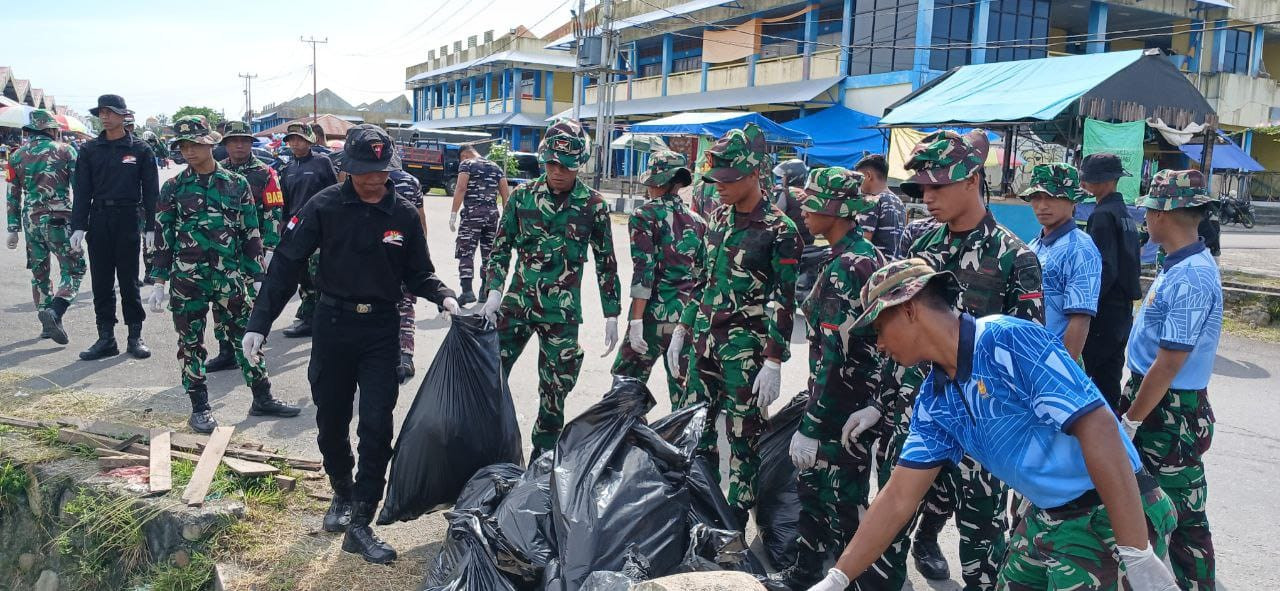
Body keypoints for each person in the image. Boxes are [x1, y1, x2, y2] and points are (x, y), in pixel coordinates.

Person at [806, 257, 1179, 591]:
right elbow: (899, 496)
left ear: (908, 310)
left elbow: (1097, 425)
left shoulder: (1006, 340)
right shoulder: (935, 399)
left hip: (1109, 511)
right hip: (1047, 514)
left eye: (878, 328)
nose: (879, 345)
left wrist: (1135, 549)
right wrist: (838, 577)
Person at [242, 124, 459, 564]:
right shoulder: (324, 207)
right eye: (365, 172)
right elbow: (286, 264)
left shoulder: (401, 214)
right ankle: (341, 491)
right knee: (331, 422)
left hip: (380, 329)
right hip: (333, 325)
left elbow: (418, 271)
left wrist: (444, 295)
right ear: (347, 169)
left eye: (381, 171)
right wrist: (259, 324)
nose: (374, 180)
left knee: (377, 426)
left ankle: (361, 519)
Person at [865, 129, 1043, 591]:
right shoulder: (916, 242)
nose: (927, 197)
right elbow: (892, 329)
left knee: (983, 554)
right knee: (884, 541)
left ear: (972, 181)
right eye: (921, 187)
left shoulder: (1014, 258)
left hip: (983, 430)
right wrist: (879, 403)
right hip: (915, 419)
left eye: (937, 185)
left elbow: (1027, 361)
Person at [665, 122, 801, 528]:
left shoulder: (781, 230)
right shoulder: (718, 218)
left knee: (743, 440)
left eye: (729, 178)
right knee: (696, 430)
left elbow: (783, 299)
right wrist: (682, 330)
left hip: (745, 355)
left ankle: (734, 526)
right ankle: (697, 511)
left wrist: (774, 361)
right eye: (716, 178)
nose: (719, 186)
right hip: (704, 344)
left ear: (755, 173)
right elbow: (703, 279)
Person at [476, 118, 622, 459]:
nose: (558, 171)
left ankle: (543, 458)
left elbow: (606, 262)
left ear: (579, 165)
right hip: (516, 306)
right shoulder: (522, 197)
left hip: (561, 313)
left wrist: (612, 314)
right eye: (552, 163)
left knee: (556, 388)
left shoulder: (593, 206)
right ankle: (488, 448)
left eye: (566, 166)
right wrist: (493, 292)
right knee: (489, 375)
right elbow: (500, 248)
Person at [146, 116, 299, 433]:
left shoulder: (236, 183)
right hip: (188, 280)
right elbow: (163, 236)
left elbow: (249, 231)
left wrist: (258, 274)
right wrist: (158, 280)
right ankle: (200, 407)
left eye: (195, 144)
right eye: (183, 146)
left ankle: (262, 396)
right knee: (190, 344)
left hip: (231, 278)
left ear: (210, 144)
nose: (189, 151)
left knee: (249, 338)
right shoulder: (173, 188)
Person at [778, 167, 886, 588]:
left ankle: (843, 577)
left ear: (838, 209)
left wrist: (809, 425)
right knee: (816, 492)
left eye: (813, 201)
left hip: (839, 408)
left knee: (838, 499)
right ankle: (806, 571)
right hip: (840, 402)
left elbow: (835, 359)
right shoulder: (852, 255)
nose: (803, 208)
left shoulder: (848, 265)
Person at [1117, 169, 1222, 591]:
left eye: (1149, 209)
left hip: (1169, 409)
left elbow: (1168, 364)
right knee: (1150, 509)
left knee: (1180, 517)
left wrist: (1132, 420)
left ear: (1165, 213)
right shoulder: (1177, 264)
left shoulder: (1193, 276)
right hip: (1156, 399)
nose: (1145, 217)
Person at [611, 150, 705, 409]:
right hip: (685, 319)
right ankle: (685, 448)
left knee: (624, 389)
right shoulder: (698, 221)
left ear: (658, 182)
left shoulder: (644, 215)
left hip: (652, 314)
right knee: (685, 396)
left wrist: (636, 321)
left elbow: (644, 271)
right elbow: (701, 277)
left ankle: (624, 443)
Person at [70, 94, 157, 361]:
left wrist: (151, 226)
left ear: (123, 115)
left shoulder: (140, 149)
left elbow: (151, 191)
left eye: (110, 112)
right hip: (99, 218)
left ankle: (134, 335)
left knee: (129, 281)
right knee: (101, 282)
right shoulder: (89, 150)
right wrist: (78, 225)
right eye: (101, 112)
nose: (105, 116)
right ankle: (106, 337)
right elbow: (82, 190)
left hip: (128, 217)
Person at [204, 121, 287, 373]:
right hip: (223, 249)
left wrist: (270, 248)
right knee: (221, 300)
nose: (239, 145)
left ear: (251, 143)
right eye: (233, 140)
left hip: (254, 249)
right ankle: (226, 351)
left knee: (251, 302)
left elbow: (274, 211)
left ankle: (252, 353)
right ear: (225, 144)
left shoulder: (265, 173)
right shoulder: (216, 171)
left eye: (244, 140)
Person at [6, 109, 85, 344]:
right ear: (51, 129)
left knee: (40, 273)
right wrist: (83, 223)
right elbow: (80, 189)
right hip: (59, 219)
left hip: (30, 221)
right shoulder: (65, 150)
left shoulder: (16, 155)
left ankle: (47, 324)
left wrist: (12, 229)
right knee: (74, 268)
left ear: (31, 130)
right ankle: (54, 312)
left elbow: (12, 194)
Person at [1079, 153, 1142, 410]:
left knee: (1083, 378)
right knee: (1109, 380)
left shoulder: (1102, 215)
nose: (1084, 184)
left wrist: (1085, 306)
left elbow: (1104, 268)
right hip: (1123, 312)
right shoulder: (1124, 214)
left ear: (1104, 181)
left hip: (1104, 311)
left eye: (1088, 179)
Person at [1023, 163, 1100, 360]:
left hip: (1055, 361)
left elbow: (1080, 318)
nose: (1042, 206)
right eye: (1036, 198)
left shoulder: (1080, 249)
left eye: (1052, 197)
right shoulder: (1034, 245)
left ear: (1073, 200)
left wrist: (1063, 373)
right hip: (1027, 355)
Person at [276, 121, 338, 338]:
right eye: (292, 139)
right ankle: (309, 315)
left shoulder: (322, 163)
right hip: (296, 230)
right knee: (302, 274)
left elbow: (334, 194)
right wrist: (283, 225)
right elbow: (284, 201)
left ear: (310, 140)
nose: (295, 142)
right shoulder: (288, 169)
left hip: (320, 229)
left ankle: (320, 318)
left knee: (318, 274)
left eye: (300, 138)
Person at [449, 144, 510, 305]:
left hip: (472, 216)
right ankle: (484, 291)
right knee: (488, 254)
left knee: (466, 251)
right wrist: (507, 218)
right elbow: (505, 195)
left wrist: (453, 213)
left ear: (464, 155)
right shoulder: (496, 167)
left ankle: (467, 291)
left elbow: (461, 188)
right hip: (492, 217)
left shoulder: (467, 164)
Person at [854, 153, 906, 260]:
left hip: (876, 269)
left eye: (859, 179)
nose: (857, 184)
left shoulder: (872, 201)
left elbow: (862, 244)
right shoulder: (899, 202)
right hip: (894, 268)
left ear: (868, 176)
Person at [772, 158, 814, 248]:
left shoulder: (786, 193)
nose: (782, 178)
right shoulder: (809, 192)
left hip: (790, 241)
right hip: (809, 239)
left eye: (784, 175)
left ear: (792, 176)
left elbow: (775, 215)